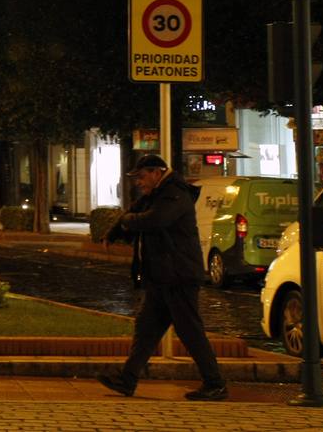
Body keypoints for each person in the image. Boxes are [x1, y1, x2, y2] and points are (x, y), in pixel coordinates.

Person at [96, 153, 228, 401]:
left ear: (157, 173)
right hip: (161, 276)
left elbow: (156, 220)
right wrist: (113, 232)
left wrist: (126, 221)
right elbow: (133, 211)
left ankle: (215, 384)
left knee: (190, 331)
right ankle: (127, 380)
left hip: (178, 276)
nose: (138, 182)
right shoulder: (156, 194)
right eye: (136, 178)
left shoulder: (175, 193)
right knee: (146, 330)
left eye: (142, 176)